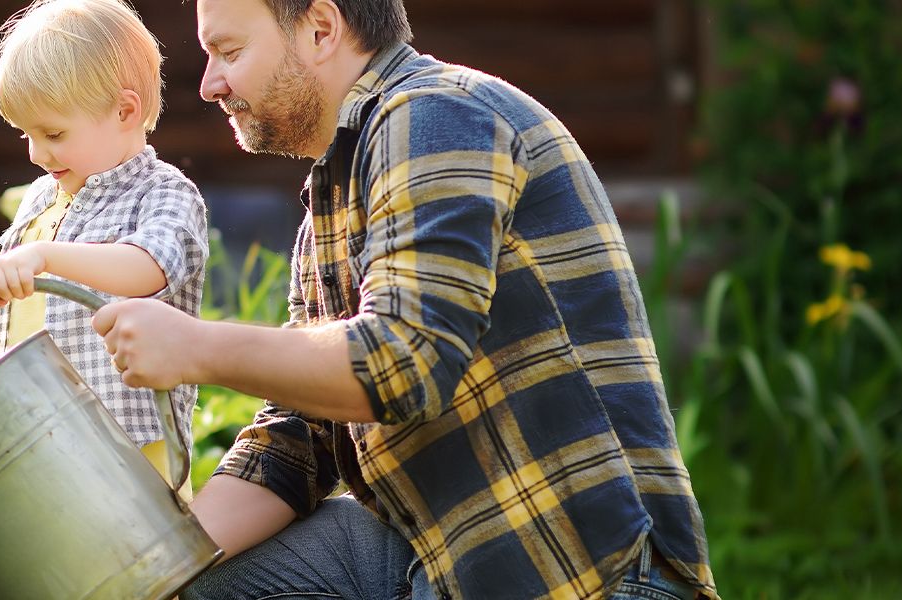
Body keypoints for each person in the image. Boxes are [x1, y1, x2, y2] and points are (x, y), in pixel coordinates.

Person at [89, 0, 718, 597]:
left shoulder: (437, 114)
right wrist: (152, 572)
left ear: (321, 28)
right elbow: (300, 436)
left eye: (228, 51)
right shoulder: (335, 194)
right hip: (444, 563)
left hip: (580, 570)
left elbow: (404, 358)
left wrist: (197, 346)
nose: (209, 85)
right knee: (203, 581)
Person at [0, 0, 209, 488]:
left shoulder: (163, 191)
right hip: (39, 438)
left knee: (143, 562)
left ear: (126, 110)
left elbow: (149, 267)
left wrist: (45, 256)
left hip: (133, 450)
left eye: (53, 133)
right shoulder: (43, 198)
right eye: (26, 135)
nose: (37, 154)